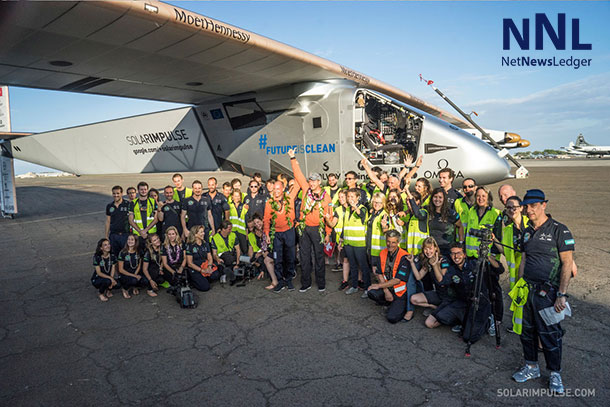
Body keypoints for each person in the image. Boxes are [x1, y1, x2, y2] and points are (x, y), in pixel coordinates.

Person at [512, 189, 575, 394]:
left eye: (533, 206)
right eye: (526, 206)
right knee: (527, 332)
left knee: (550, 334)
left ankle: (555, 373)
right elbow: (524, 259)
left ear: (544, 205)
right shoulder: (527, 231)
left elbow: (567, 263)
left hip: (548, 293)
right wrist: (520, 284)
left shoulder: (559, 230)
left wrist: (561, 294)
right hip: (527, 291)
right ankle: (531, 366)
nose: (529, 210)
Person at [289, 148, 333, 292]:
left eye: (314, 181)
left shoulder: (326, 197)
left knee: (319, 257)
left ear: (319, 182)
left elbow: (329, 215)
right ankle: (306, 283)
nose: (312, 183)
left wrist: (328, 233)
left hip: (318, 229)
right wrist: (293, 158)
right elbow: (298, 174)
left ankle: (321, 283)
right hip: (304, 228)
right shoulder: (306, 189)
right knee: (304, 256)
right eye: (310, 181)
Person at [263, 172, 301, 293]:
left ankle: (289, 280)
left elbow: (299, 183)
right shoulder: (269, 203)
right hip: (276, 234)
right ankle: (280, 281)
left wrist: (294, 162)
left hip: (289, 232)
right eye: (274, 189)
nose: (276, 191)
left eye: (278, 189)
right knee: (277, 258)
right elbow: (266, 219)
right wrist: (267, 234)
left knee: (290, 257)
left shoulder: (289, 198)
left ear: (283, 188)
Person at [423, 243, 475, 330]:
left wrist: (488, 257)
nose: (456, 256)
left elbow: (498, 269)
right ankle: (458, 321)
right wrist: (435, 265)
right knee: (429, 323)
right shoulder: (452, 269)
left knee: (473, 326)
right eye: (453, 254)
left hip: (473, 302)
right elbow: (441, 282)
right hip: (455, 301)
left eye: (458, 253)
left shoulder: (473, 265)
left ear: (464, 255)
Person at [367, 230, 411, 323]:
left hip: (399, 292)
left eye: (393, 242)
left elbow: (398, 280)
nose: (390, 245)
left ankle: (399, 306)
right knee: (371, 292)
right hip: (387, 287)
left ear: (398, 243)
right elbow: (379, 273)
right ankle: (388, 302)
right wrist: (386, 291)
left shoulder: (404, 256)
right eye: (388, 241)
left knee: (392, 318)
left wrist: (379, 286)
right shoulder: (382, 253)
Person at [409, 237, 450, 318]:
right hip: (437, 293)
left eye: (430, 248)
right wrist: (411, 263)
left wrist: (436, 265)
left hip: (447, 294)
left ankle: (443, 308)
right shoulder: (428, 261)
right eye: (425, 249)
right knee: (413, 299)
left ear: (435, 248)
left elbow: (441, 280)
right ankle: (433, 307)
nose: (428, 251)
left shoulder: (443, 259)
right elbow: (418, 277)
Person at [343, 188, 372, 297]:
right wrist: (342, 239)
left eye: (352, 196)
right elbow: (346, 226)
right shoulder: (347, 210)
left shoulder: (362, 208)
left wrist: (355, 207)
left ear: (358, 197)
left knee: (363, 266)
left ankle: (367, 288)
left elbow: (362, 215)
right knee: (353, 266)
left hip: (359, 244)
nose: (350, 199)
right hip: (348, 243)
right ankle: (354, 286)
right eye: (348, 196)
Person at [422, 188, 464, 257]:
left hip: (446, 249)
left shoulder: (450, 213)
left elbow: (460, 227)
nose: (437, 199)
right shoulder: (427, 210)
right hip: (431, 250)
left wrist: (461, 243)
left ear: (444, 199)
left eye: (440, 197)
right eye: (435, 197)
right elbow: (416, 211)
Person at [325, 190, 351, 290]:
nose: (340, 199)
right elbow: (332, 224)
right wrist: (327, 219)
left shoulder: (353, 209)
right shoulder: (338, 210)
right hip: (340, 239)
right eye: (339, 197)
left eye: (342, 197)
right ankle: (346, 281)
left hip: (352, 238)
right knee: (345, 260)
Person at [464, 186, 501, 258]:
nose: (480, 198)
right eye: (478, 196)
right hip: (470, 254)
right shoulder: (472, 211)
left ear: (489, 198)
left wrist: (493, 255)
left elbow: (497, 237)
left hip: (487, 255)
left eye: (483, 196)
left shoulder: (495, 213)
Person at [247, 213, 277, 290]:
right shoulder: (255, 233)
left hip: (276, 250)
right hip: (264, 253)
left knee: (267, 259)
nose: (257, 224)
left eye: (258, 222)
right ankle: (273, 280)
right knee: (264, 258)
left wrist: (266, 251)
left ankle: (276, 279)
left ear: (262, 220)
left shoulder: (268, 229)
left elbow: (273, 243)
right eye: (255, 224)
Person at [186, 225, 218, 291]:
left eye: (203, 232)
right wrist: (202, 270)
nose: (203, 233)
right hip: (196, 268)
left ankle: (204, 278)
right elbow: (190, 263)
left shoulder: (205, 244)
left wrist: (209, 267)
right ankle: (192, 280)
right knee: (205, 287)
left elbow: (210, 257)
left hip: (204, 265)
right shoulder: (190, 246)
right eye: (201, 232)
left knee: (216, 275)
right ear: (195, 234)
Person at [366, 192, 389, 276]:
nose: (377, 204)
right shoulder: (372, 214)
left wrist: (384, 226)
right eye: (375, 202)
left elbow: (386, 230)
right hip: (371, 247)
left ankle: (383, 284)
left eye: (380, 202)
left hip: (379, 248)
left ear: (383, 203)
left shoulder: (384, 215)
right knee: (375, 271)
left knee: (379, 272)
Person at [105, 185, 131, 257]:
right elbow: (108, 221)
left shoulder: (128, 204)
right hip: (113, 235)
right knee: (114, 256)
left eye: (118, 193)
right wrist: (106, 236)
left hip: (125, 235)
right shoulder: (109, 206)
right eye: (114, 193)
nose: (116, 195)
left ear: (121, 194)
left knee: (126, 255)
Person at [117, 234, 143, 299]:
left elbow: (139, 265)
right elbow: (121, 270)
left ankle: (134, 286)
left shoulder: (139, 251)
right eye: (128, 239)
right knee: (134, 280)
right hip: (125, 273)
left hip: (135, 272)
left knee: (144, 280)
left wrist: (135, 274)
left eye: (132, 240)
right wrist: (134, 276)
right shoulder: (122, 252)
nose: (130, 241)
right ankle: (125, 289)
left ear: (136, 241)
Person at [228, 188, 249, 253]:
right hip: (232, 231)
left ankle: (244, 259)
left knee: (244, 249)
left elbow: (246, 220)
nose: (237, 198)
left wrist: (247, 233)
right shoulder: (229, 206)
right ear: (232, 197)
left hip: (242, 232)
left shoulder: (244, 206)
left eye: (238, 196)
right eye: (235, 196)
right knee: (233, 249)